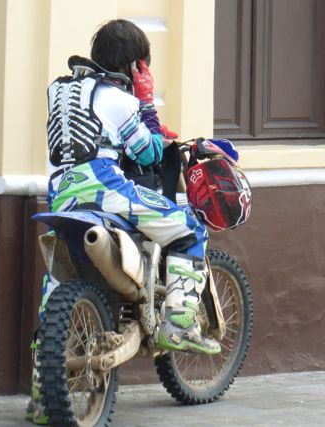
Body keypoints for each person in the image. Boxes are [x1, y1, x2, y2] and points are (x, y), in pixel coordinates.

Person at [26, 19, 219, 424]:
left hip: (61, 195)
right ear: (135, 66)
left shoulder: (58, 91)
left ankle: (42, 394)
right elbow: (148, 154)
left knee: (56, 282)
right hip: (105, 190)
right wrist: (146, 102)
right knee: (189, 228)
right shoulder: (120, 99)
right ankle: (179, 324)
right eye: (143, 67)